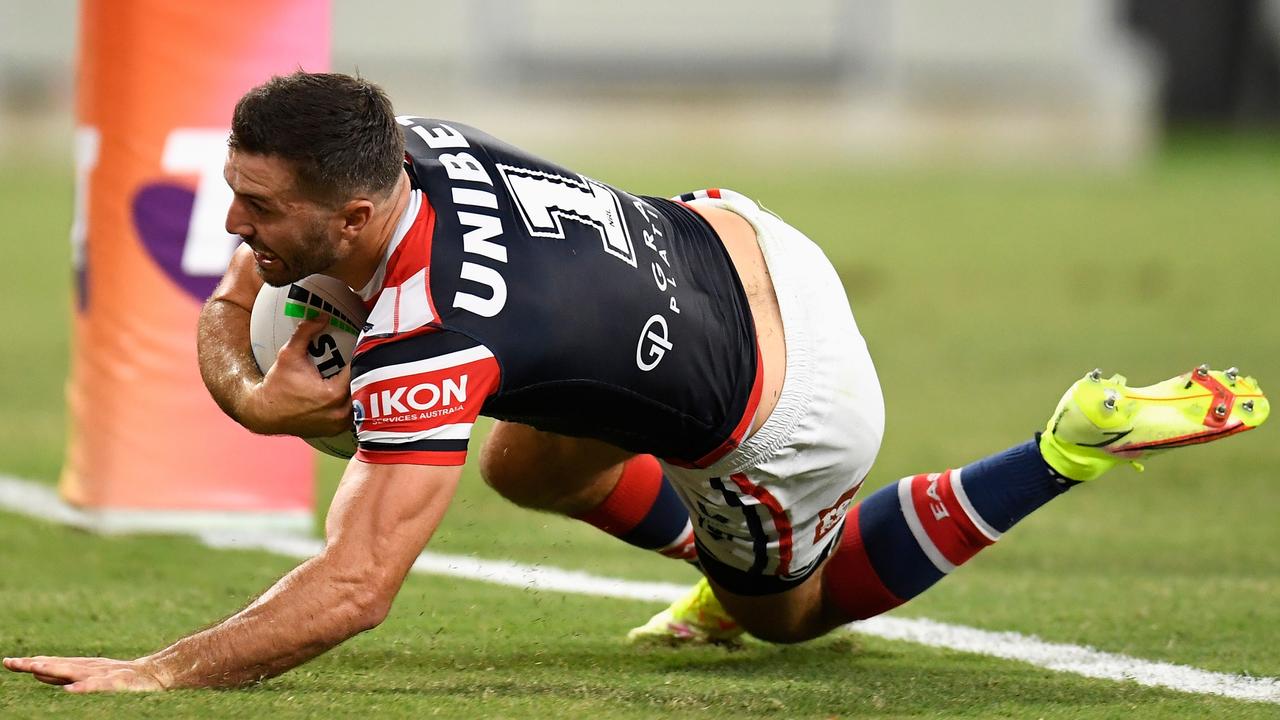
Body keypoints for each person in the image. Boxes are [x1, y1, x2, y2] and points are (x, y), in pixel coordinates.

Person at [4, 72, 1269, 692]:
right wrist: (260, 334)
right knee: (525, 457)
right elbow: (320, 356)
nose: (236, 226)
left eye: (257, 210)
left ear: (348, 209)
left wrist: (158, 670)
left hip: (792, 397)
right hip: (735, 237)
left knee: (791, 614)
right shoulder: (415, 148)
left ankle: (1064, 446)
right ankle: (721, 565)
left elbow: (350, 590)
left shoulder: (435, 329)